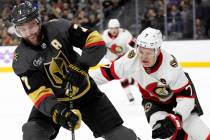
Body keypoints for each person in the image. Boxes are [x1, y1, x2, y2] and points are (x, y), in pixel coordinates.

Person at [11, 1, 140, 140]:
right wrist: (58, 111)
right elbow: (38, 93)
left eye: (31, 26)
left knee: (121, 136)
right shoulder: (21, 59)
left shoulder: (59, 27)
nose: (29, 32)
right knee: (33, 133)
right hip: (55, 100)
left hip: (86, 93)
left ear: (38, 21)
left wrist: (81, 67)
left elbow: (96, 41)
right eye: (22, 29)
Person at [90, 27, 210, 140]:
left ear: (157, 51)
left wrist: (176, 117)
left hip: (178, 100)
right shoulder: (132, 59)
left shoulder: (171, 67)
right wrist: (82, 80)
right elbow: (106, 72)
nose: (143, 57)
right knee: (164, 130)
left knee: (200, 132)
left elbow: (187, 98)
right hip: (153, 102)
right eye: (141, 51)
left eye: (148, 53)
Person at [102, 18, 136, 102]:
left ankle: (135, 84)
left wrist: (134, 44)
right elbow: (101, 49)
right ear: (109, 28)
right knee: (122, 76)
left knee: (132, 76)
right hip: (114, 59)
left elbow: (133, 44)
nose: (114, 30)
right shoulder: (104, 36)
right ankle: (128, 93)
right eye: (112, 28)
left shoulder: (125, 33)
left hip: (126, 57)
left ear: (119, 28)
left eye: (116, 28)